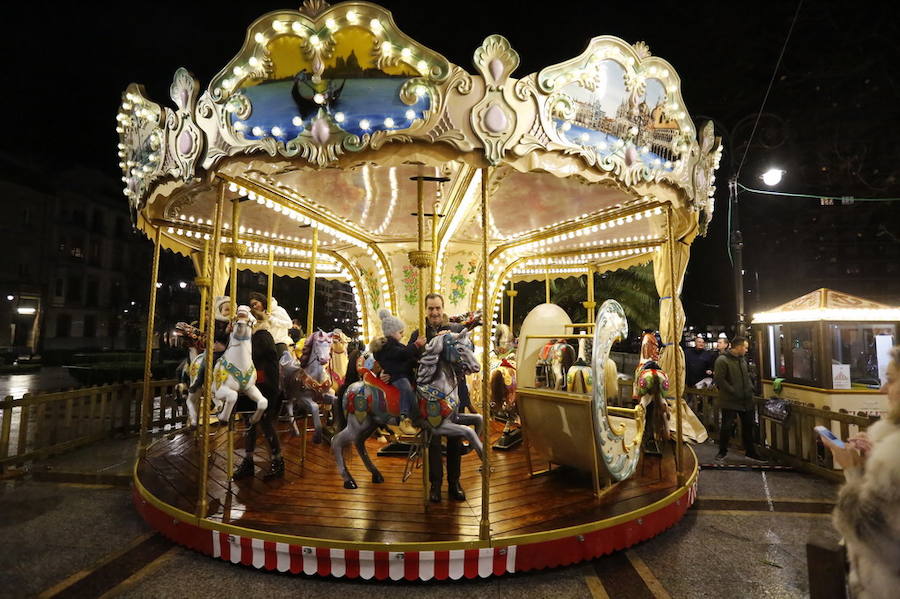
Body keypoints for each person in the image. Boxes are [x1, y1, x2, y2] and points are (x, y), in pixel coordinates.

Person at [822, 346, 900, 598]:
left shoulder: (894, 458)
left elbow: (876, 538)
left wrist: (854, 472)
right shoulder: (888, 447)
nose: (883, 390)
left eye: (890, 380)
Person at [406, 293, 472, 503]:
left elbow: (469, 350)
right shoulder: (419, 332)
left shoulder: (456, 329)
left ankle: (454, 482)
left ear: (443, 308)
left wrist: (451, 340)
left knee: (454, 438)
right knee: (432, 440)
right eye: (430, 308)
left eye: (437, 308)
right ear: (425, 310)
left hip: (453, 395)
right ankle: (435, 484)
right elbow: (409, 360)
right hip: (430, 398)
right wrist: (417, 346)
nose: (434, 312)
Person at [233, 328, 285, 480]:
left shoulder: (262, 338)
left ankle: (277, 461)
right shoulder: (254, 349)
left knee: (266, 424)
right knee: (250, 424)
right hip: (254, 391)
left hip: (267, 391)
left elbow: (254, 353)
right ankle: (248, 461)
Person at [371, 309, 424, 435]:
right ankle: (404, 418)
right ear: (393, 333)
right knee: (406, 388)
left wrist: (418, 362)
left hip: (400, 374)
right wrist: (416, 345)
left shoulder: (394, 345)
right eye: (400, 332)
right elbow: (403, 354)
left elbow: (407, 358)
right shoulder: (389, 346)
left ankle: (417, 417)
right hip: (396, 376)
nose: (402, 335)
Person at [714, 336, 763, 462]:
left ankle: (750, 451)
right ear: (739, 347)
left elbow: (746, 376)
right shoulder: (722, 360)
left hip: (746, 399)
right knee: (727, 426)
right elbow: (720, 379)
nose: (746, 350)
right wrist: (733, 391)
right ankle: (722, 451)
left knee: (749, 425)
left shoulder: (742, 360)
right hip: (730, 400)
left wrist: (750, 388)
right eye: (745, 347)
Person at [248, 291, 292, 356]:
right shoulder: (255, 316)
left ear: (261, 301)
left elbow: (289, 324)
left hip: (279, 343)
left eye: (256, 303)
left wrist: (271, 319)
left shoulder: (278, 310)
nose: (254, 306)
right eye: (252, 305)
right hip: (265, 345)